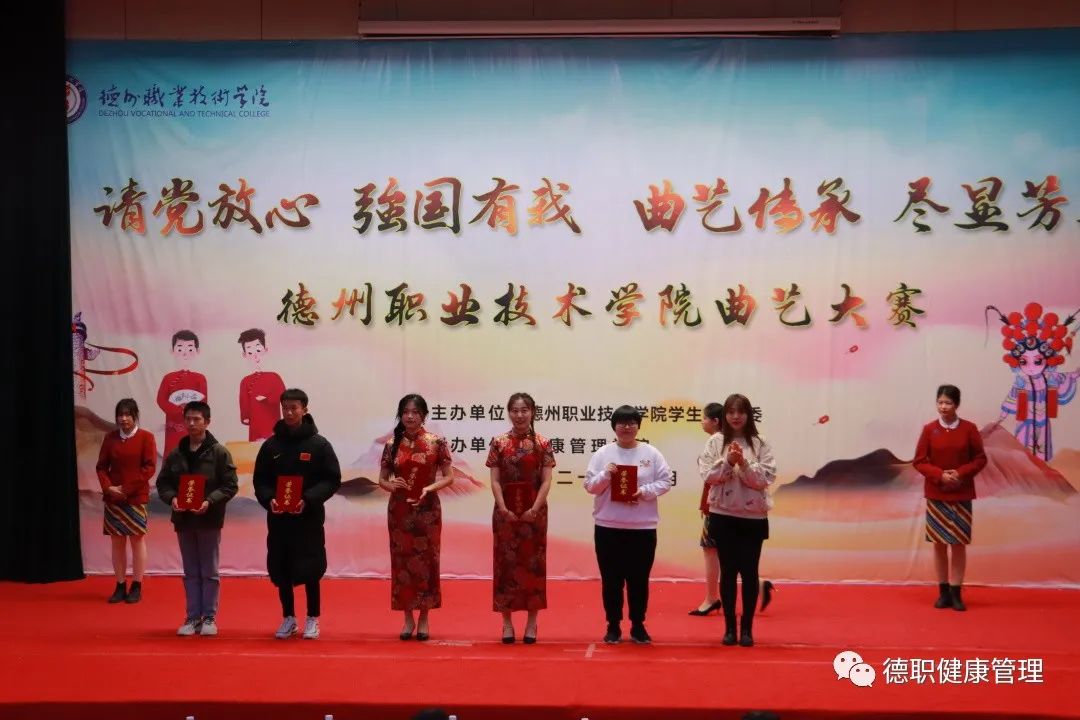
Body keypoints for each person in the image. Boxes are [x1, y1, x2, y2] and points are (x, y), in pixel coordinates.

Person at [253, 389, 341, 639]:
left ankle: (313, 617)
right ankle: (288, 617)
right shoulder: (271, 445)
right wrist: (269, 499)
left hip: (308, 518)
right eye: (285, 408)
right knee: (282, 567)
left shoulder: (319, 445)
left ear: (305, 409)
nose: (289, 412)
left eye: (294, 408)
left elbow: (332, 479)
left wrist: (309, 499)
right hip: (279, 519)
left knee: (311, 567)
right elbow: (261, 480)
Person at [584, 405, 672, 644]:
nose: (626, 427)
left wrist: (643, 491)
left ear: (638, 426)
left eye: (632, 423)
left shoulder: (651, 453)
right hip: (608, 527)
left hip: (642, 528)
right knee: (611, 580)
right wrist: (606, 475)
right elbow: (590, 486)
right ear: (614, 427)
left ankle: (638, 625)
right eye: (621, 423)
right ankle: (613, 625)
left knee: (638, 580)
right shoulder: (603, 453)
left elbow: (665, 481)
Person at [156, 401, 239, 636]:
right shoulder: (176, 453)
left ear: (207, 422)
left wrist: (209, 501)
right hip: (183, 520)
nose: (191, 423)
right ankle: (192, 617)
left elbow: (230, 485)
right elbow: (163, 483)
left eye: (197, 419)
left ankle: (209, 617)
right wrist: (172, 498)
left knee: (209, 571)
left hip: (209, 519)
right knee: (191, 571)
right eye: (188, 419)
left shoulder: (219, 452)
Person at [700, 393, 776, 647]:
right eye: (730, 412)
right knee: (728, 572)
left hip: (753, 517)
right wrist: (727, 462)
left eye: (740, 412)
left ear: (748, 415)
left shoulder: (760, 442)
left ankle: (747, 629)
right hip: (723, 515)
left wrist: (743, 463)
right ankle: (730, 628)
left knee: (750, 572)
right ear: (724, 415)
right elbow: (708, 476)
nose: (735, 417)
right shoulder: (715, 441)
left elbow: (764, 479)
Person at [378, 394, 454, 641]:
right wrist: (392, 485)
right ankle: (407, 618)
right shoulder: (392, 444)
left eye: (415, 412)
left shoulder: (436, 443)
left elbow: (449, 477)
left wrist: (429, 488)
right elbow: (382, 479)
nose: (410, 417)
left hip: (427, 511)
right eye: (405, 412)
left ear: (423, 415)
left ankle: (424, 618)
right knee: (402, 563)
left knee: (426, 562)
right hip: (399, 511)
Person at [486, 392, 555, 644]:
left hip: (534, 514)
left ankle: (532, 623)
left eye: (524, 410)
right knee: (505, 566)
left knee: (533, 566)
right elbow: (495, 480)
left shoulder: (543, 443)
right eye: (514, 410)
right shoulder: (499, 442)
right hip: (505, 513)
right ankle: (506, 623)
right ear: (509, 413)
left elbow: (546, 480)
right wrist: (502, 507)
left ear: (533, 412)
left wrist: (535, 508)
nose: (519, 415)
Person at [912, 384, 987, 612]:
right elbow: (919, 461)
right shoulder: (929, 429)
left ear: (957, 405)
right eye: (940, 402)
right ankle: (943, 592)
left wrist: (960, 473)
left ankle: (956, 593)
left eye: (948, 403)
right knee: (939, 544)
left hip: (961, 494)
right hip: (937, 494)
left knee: (959, 544)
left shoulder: (969, 429)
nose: (943, 407)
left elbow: (980, 459)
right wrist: (939, 475)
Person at [95, 398, 157, 604]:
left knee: (137, 540)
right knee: (117, 541)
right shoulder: (110, 438)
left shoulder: (146, 437)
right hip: (113, 498)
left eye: (128, 414)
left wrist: (126, 489)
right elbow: (101, 467)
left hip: (136, 497)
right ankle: (120, 585)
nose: (123, 419)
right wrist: (108, 488)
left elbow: (149, 468)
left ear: (135, 415)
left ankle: (136, 585)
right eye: (120, 415)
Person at [156, 330, 208, 455]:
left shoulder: (200, 378)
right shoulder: (168, 378)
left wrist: (191, 411)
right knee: (173, 453)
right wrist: (178, 410)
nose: (185, 353)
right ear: (172, 351)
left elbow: (203, 402)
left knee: (193, 455)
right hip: (173, 426)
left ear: (197, 351)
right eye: (180, 349)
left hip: (194, 425)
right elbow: (161, 400)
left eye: (190, 349)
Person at [237, 328, 286, 441]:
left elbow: (283, 396)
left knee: (273, 443)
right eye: (250, 352)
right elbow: (244, 401)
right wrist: (245, 416)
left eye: (258, 350)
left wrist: (267, 399)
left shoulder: (274, 377)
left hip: (272, 420)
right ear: (244, 354)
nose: (255, 356)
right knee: (256, 445)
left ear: (265, 349)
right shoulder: (245, 381)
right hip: (255, 422)